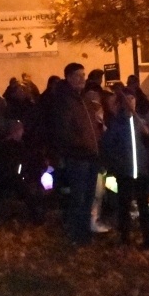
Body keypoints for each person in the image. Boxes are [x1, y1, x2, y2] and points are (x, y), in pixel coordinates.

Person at [49, 61, 102, 243]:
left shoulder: (84, 100)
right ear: (69, 78)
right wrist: (80, 146)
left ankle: (84, 232)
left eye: (84, 75)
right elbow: (64, 131)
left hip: (91, 155)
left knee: (88, 196)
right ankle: (76, 233)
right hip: (78, 157)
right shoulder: (64, 101)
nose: (83, 79)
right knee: (78, 197)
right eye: (78, 76)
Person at [101, 88, 149, 246]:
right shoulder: (117, 123)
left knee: (143, 205)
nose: (130, 102)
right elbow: (109, 145)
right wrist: (118, 163)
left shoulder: (142, 122)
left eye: (133, 98)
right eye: (127, 99)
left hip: (142, 171)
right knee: (124, 205)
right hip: (125, 171)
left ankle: (148, 238)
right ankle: (125, 237)